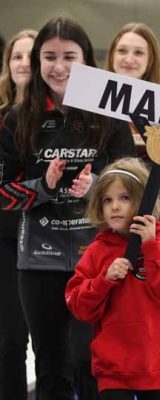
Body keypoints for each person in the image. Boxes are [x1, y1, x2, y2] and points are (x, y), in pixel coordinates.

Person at [0, 17, 135, 400]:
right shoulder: (17, 118)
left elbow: (133, 184)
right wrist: (43, 187)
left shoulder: (108, 116)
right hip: (37, 261)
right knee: (50, 367)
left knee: (88, 360)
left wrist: (99, 189)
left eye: (69, 57)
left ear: (86, 60)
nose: (58, 67)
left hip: (98, 258)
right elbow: (2, 194)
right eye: (49, 57)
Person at [65, 156, 160, 400]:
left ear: (143, 201)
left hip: (156, 367)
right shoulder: (97, 250)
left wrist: (151, 248)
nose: (115, 207)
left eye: (124, 198)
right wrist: (103, 280)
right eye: (107, 200)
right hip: (112, 370)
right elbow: (79, 307)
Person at [0, 28, 37, 400]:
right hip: (5, 235)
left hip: (52, 234)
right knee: (11, 336)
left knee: (54, 338)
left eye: (31, 56)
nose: (24, 63)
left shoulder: (65, 115)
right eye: (16, 57)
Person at [105, 22, 160, 158]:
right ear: (112, 55)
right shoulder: (88, 100)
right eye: (122, 51)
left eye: (139, 53)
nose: (129, 59)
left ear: (150, 60)